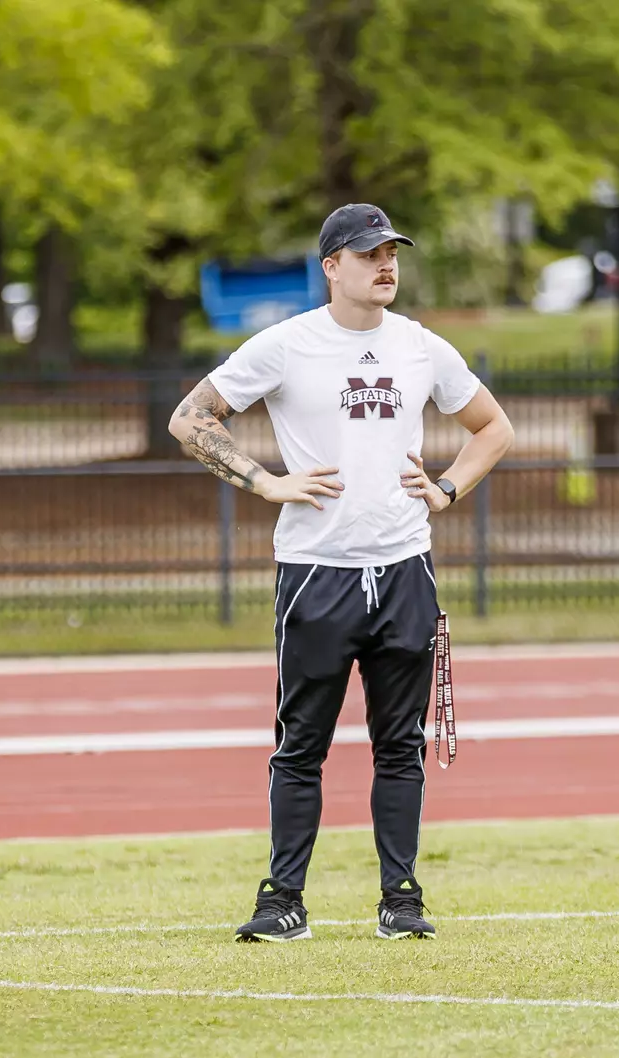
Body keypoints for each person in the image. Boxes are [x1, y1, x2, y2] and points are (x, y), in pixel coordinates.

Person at [168, 203, 514, 941]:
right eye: (367, 255)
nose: (385, 265)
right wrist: (264, 483)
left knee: (400, 747)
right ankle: (282, 900)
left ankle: (401, 898)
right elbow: (191, 418)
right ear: (331, 267)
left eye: (391, 253)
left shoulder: (421, 347)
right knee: (301, 746)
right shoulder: (287, 345)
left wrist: (447, 488)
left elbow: (494, 428)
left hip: (403, 570)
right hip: (316, 574)